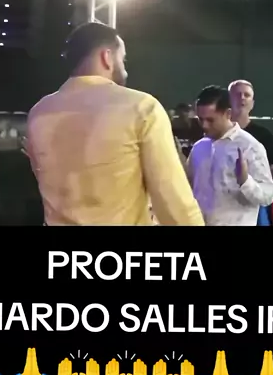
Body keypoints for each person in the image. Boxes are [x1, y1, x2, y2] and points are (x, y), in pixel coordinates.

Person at [26, 22, 204, 226]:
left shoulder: (39, 113)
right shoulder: (141, 107)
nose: (124, 68)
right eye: (123, 59)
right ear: (107, 57)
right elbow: (172, 200)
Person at [187, 85, 273, 226]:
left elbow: (267, 196)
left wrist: (245, 181)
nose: (204, 125)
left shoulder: (250, 147)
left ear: (228, 114)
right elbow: (188, 186)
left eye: (210, 120)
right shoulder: (199, 148)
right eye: (200, 119)